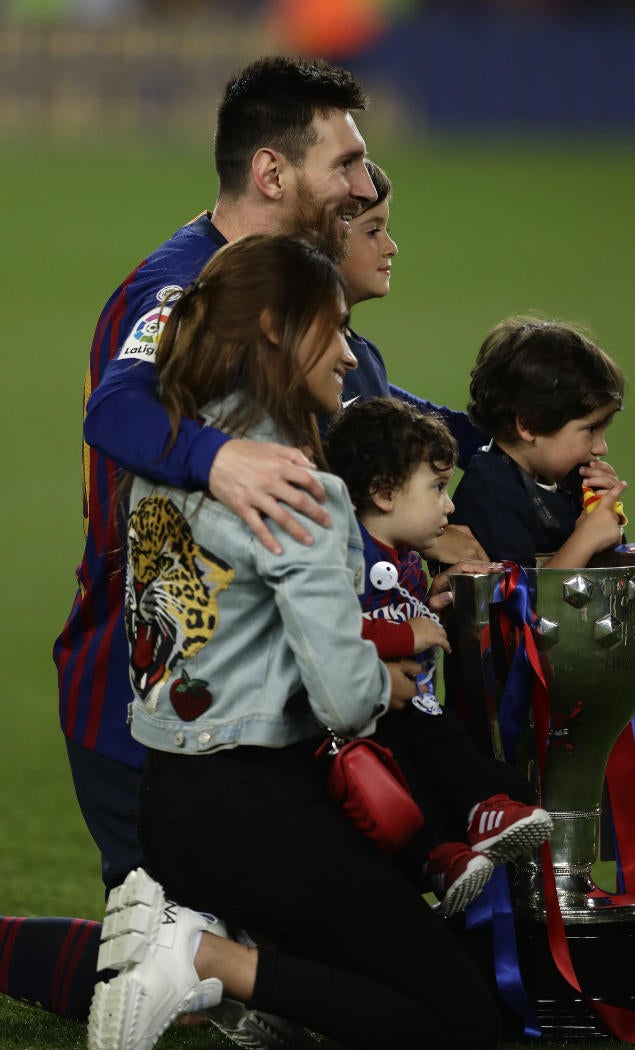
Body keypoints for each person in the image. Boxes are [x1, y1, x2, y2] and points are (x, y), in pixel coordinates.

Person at [54, 54, 487, 897]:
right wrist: (221, 456)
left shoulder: (295, 293)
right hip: (150, 692)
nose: (365, 190)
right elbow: (116, 411)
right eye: (347, 165)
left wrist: (506, 443)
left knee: (298, 960)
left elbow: (373, 410)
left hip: (263, 688)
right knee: (190, 963)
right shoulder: (181, 287)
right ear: (271, 171)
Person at [87, 233, 503, 1050]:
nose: (350, 355)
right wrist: (390, 677)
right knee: (461, 1025)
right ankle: (204, 958)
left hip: (170, 798)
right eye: (335, 327)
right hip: (261, 806)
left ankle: (249, 986)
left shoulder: (179, 449)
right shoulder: (294, 485)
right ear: (277, 328)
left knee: (396, 976)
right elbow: (346, 698)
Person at [324, 397, 553, 918]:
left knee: (447, 762)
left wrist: (427, 610)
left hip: (404, 706)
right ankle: (475, 816)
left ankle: (447, 853)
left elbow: (387, 614)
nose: (449, 508)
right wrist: (409, 635)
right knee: (423, 757)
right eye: (436, 489)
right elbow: (330, 630)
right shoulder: (343, 551)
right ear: (383, 493)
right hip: (359, 719)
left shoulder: (402, 555)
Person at [449, 316, 628, 567]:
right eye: (590, 430)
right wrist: (586, 539)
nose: (601, 448)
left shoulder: (570, 481)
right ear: (529, 425)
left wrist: (605, 520)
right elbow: (518, 603)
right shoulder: (490, 491)